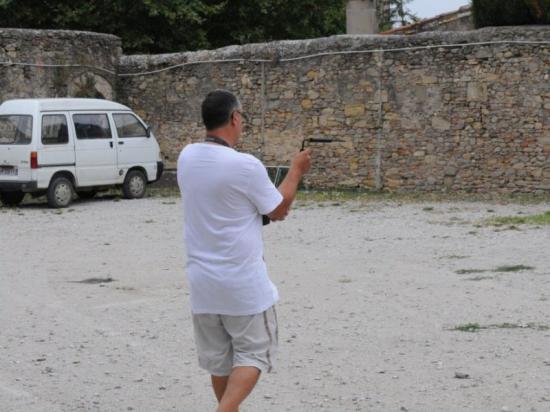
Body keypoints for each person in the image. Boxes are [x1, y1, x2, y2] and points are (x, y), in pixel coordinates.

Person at [177, 89, 311, 412]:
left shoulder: (186, 157)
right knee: (254, 353)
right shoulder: (245, 166)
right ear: (235, 118)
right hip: (241, 283)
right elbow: (277, 209)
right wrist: (296, 171)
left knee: (220, 361)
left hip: (202, 284)